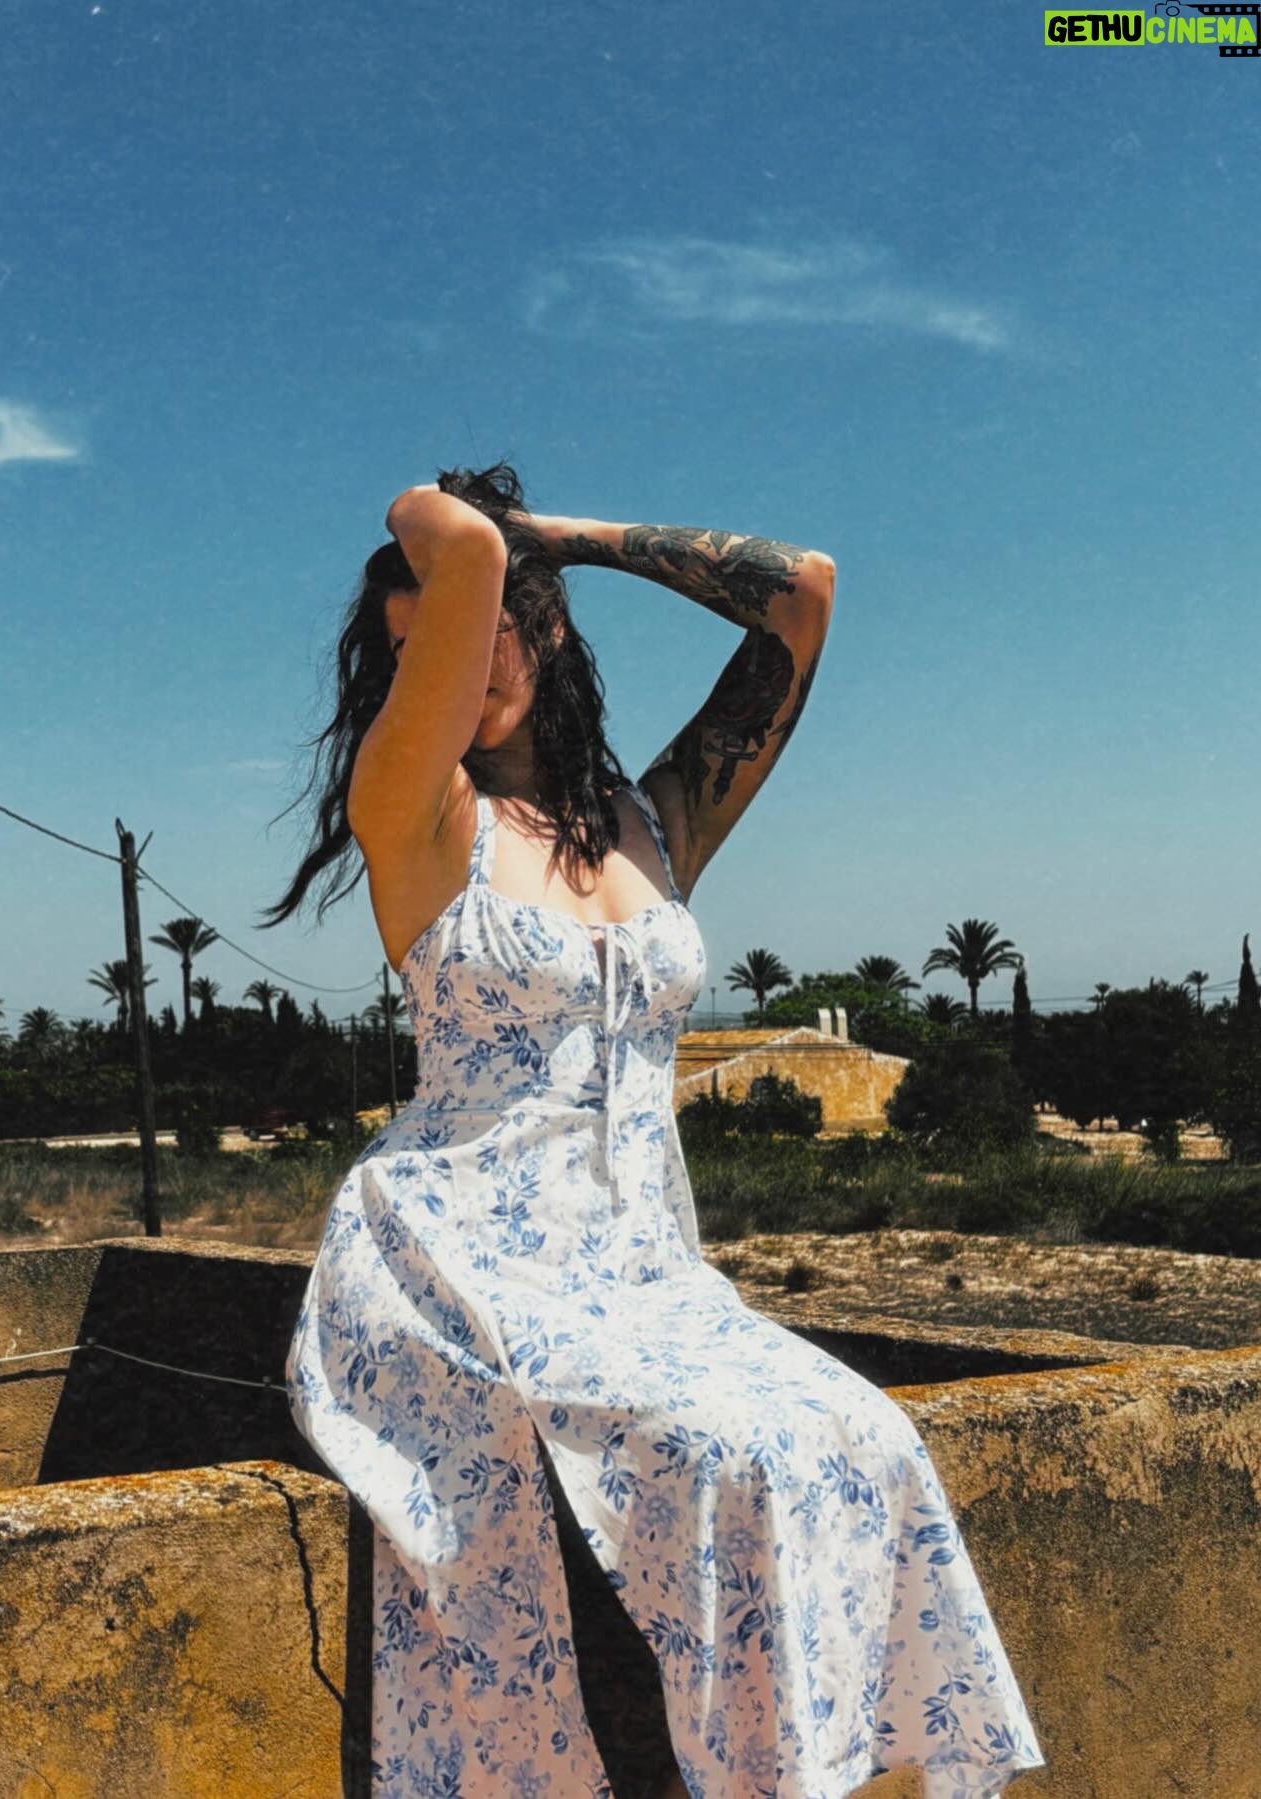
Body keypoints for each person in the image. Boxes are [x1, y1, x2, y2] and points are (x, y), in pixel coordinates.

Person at [266, 463, 1046, 1798]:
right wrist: (458, 543)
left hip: (642, 1267)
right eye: (422, 651)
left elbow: (803, 593)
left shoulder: (650, 822)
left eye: (497, 628)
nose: (461, 662)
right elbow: (448, 546)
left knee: (869, 1438)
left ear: (550, 627)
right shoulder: (418, 809)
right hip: (462, 1257)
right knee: (729, 1458)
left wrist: (563, 540)